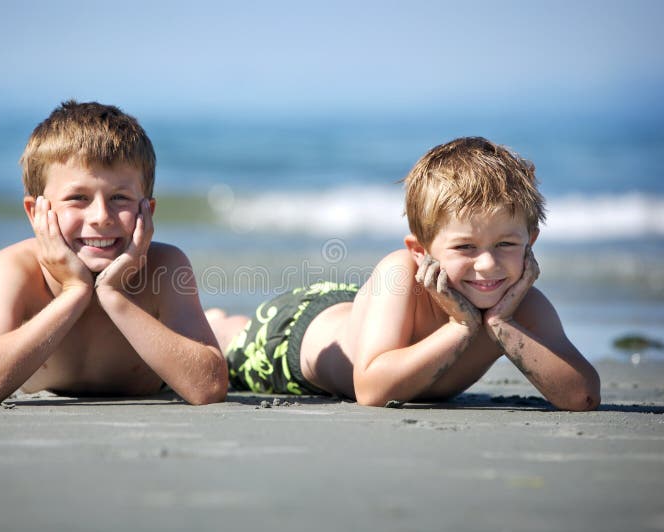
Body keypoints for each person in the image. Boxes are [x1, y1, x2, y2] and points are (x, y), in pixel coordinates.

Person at [207, 136, 600, 410]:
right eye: (465, 247)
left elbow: (582, 396)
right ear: (420, 251)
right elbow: (371, 389)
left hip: (361, 311)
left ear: (531, 241)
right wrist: (461, 328)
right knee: (229, 341)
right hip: (294, 336)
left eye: (506, 245)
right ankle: (219, 321)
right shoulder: (399, 270)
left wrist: (500, 324)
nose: (487, 265)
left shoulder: (522, 309)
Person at [0, 101, 227, 405]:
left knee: (230, 338)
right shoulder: (14, 269)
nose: (101, 216)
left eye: (119, 197)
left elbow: (210, 386)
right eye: (78, 198)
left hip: (169, 369)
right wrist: (74, 292)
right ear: (36, 213)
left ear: (147, 210)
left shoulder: (164, 266)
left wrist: (113, 295)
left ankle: (219, 324)